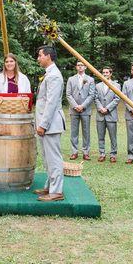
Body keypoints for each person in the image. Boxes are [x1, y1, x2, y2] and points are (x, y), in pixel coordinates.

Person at [33, 46, 66, 202]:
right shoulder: (49, 74)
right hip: (45, 124)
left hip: (50, 125)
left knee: (54, 158)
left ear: (48, 56)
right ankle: (49, 186)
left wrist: (43, 125)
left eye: (40, 55)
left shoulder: (54, 76)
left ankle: (57, 191)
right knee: (47, 158)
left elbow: (51, 103)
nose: (38, 58)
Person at [66, 61, 96, 160]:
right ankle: (74, 152)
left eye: (82, 65)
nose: (80, 67)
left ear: (85, 67)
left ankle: (86, 152)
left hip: (85, 109)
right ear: (76, 67)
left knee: (86, 131)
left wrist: (82, 106)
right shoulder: (71, 79)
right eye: (78, 65)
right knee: (74, 132)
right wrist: (75, 106)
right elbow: (68, 94)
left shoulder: (90, 79)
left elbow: (92, 95)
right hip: (74, 110)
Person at [94, 67, 120, 163]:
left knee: (113, 136)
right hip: (100, 115)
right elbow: (95, 98)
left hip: (111, 114)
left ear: (110, 74)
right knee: (101, 136)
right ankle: (102, 153)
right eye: (103, 72)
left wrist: (107, 108)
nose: (105, 74)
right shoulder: (98, 86)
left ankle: (113, 154)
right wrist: (101, 108)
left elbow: (117, 99)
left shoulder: (116, 85)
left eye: (107, 72)